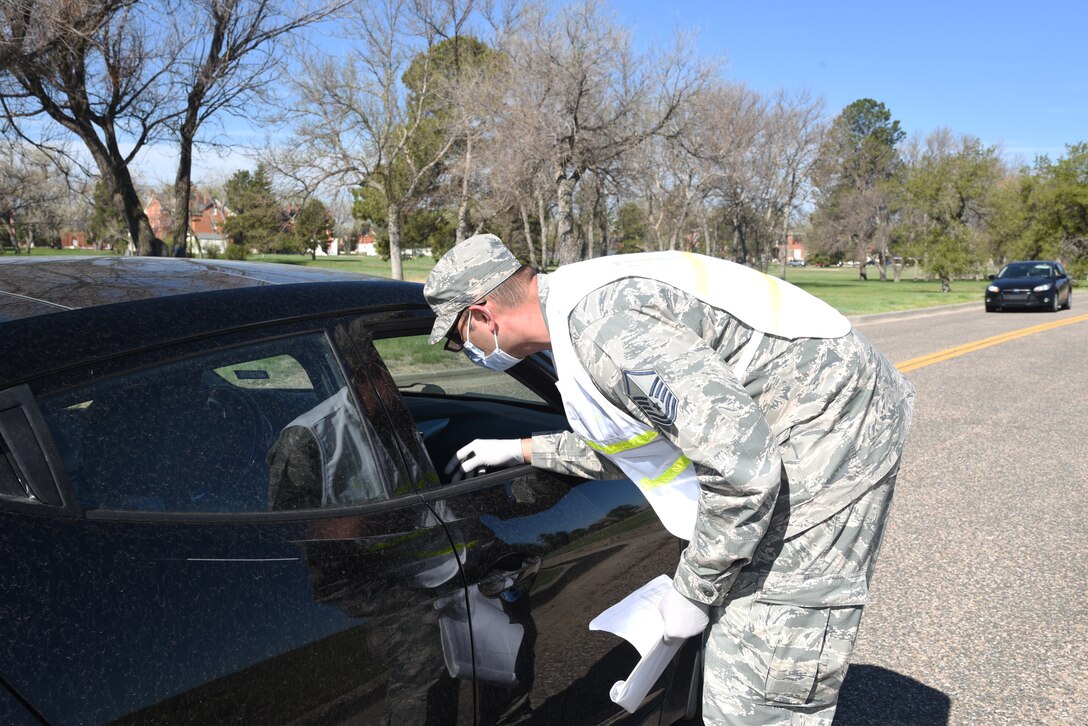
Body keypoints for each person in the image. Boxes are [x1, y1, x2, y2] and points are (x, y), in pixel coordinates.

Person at [423, 233, 915, 725]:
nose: (464, 352)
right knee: (739, 648)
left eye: (458, 338)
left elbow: (741, 469)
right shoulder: (573, 313)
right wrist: (523, 449)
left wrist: (695, 588)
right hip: (783, 425)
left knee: (762, 668)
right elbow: (639, 441)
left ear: (483, 315)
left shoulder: (607, 334)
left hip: (829, 430)